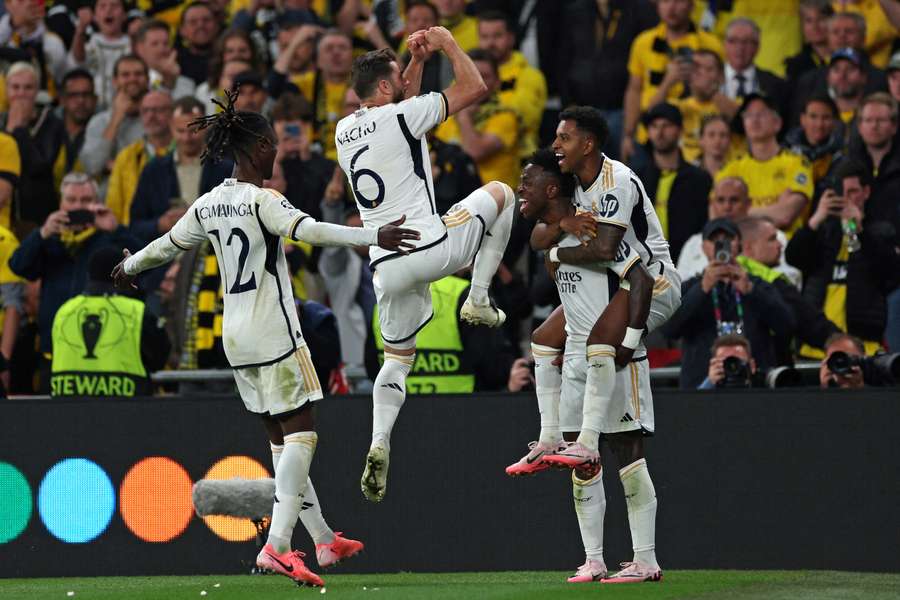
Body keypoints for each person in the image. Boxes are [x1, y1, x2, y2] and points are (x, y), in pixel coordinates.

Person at [112, 88, 418, 587]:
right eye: (272, 143)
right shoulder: (263, 200)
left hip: (236, 338)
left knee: (281, 442)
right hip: (274, 332)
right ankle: (277, 547)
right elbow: (312, 231)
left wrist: (127, 265)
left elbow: (164, 247)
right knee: (303, 431)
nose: (276, 150)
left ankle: (321, 537)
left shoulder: (210, 204)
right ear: (258, 149)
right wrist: (372, 237)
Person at [337, 29, 515, 503]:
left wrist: (413, 62)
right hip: (429, 247)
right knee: (502, 194)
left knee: (396, 360)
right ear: (384, 88)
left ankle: (379, 441)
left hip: (386, 268)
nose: (405, 82)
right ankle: (478, 297)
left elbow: (400, 103)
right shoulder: (403, 116)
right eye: (397, 78)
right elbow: (475, 88)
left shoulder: (343, 129)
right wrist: (448, 44)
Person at [512, 147, 662, 584]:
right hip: (578, 359)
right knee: (581, 464)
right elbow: (538, 238)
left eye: (528, 182)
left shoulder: (594, 229)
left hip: (614, 360)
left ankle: (646, 560)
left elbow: (641, 279)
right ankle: (593, 559)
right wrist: (558, 229)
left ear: (552, 188)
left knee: (628, 456)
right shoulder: (559, 230)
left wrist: (631, 343)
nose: (521, 189)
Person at [9, 172, 140, 391]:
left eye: (85, 201)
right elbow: (18, 266)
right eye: (71, 200)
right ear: (61, 203)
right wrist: (41, 234)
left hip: (103, 353)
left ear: (96, 203)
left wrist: (116, 229)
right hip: (54, 352)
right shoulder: (50, 239)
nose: (77, 206)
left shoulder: (108, 239)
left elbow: (146, 265)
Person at [662, 218, 796, 388]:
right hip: (702, 387)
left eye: (728, 238)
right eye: (714, 240)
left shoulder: (758, 285)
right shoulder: (689, 288)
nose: (721, 243)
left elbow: (787, 325)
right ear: (704, 247)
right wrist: (702, 289)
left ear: (739, 245)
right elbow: (669, 329)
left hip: (753, 386)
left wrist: (750, 291)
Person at [785, 159, 897, 358]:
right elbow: (793, 257)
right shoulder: (824, 232)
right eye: (841, 192)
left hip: (864, 344)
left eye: (853, 191)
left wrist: (859, 230)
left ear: (866, 192)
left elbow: (889, 273)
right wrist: (815, 219)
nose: (846, 198)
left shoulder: (880, 232)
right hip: (817, 344)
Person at [49, 246, 170, 397]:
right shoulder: (135, 311)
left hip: (69, 410)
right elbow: (160, 357)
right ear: (123, 273)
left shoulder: (65, 311)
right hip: (123, 410)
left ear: (89, 275)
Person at [621, 0, 722, 164]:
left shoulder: (711, 44)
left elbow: (719, 90)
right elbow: (634, 89)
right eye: (666, 1)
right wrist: (628, 134)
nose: (672, 7)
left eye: (679, 1)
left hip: (694, 137)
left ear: (691, 5)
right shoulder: (643, 42)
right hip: (648, 134)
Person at [717, 93, 814, 236]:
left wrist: (740, 213)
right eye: (748, 115)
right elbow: (718, 216)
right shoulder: (731, 169)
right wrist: (776, 208)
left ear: (777, 123)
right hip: (743, 250)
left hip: (784, 249)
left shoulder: (797, 163)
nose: (754, 120)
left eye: (761, 114)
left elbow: (786, 215)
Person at [678, 176, 801, 286]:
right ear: (712, 204)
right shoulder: (694, 243)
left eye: (734, 200)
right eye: (721, 200)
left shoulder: (773, 236)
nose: (727, 207)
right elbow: (678, 287)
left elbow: (790, 278)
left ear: (748, 204)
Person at [434, 49, 521, 187]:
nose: (477, 81)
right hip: (453, 196)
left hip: (493, 201)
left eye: (484, 76)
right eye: (471, 75)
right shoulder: (449, 114)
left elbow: (474, 152)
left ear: (497, 82)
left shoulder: (505, 116)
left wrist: (464, 117)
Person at [636, 102, 711, 262]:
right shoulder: (635, 177)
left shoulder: (699, 179)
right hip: (644, 263)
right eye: (654, 126)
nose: (660, 132)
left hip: (688, 262)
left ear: (680, 130)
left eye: (666, 125)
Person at [2, 61, 66, 233]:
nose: (21, 94)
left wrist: (18, 130)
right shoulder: (1, 122)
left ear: (37, 91)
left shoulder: (53, 124)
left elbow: (40, 167)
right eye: (15, 87)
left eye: (28, 88)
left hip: (39, 219)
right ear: (6, 90)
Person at [477, 10, 547, 161]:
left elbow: (521, 115)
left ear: (511, 38)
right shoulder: (471, 73)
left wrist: (472, 114)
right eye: (484, 37)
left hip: (517, 163)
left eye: (497, 36)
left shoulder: (530, 76)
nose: (490, 43)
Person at [651, 48, 737, 163]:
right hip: (687, 172)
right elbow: (651, 115)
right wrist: (668, 81)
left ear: (721, 76)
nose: (702, 73)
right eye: (696, 68)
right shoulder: (678, 106)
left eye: (709, 69)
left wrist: (711, 90)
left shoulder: (732, 103)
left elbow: (739, 119)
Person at [105, 90, 175, 227]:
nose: (151, 116)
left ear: (172, 114)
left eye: (158, 110)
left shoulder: (184, 153)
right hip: (135, 236)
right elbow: (114, 208)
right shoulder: (126, 156)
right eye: (145, 111)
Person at [79, 54, 149, 179]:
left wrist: (120, 166)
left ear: (147, 79)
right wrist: (116, 120)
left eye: (138, 74)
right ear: (115, 81)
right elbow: (92, 166)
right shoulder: (99, 122)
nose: (132, 79)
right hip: (109, 193)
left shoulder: (158, 119)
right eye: (125, 75)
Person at [67, 0, 131, 109]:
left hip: (126, 108)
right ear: (95, 16)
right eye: (102, 6)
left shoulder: (133, 45)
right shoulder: (89, 43)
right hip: (92, 110)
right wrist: (81, 29)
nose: (108, 10)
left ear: (124, 15)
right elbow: (78, 60)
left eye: (114, 6)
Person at [720, 17, 788, 116]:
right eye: (733, 41)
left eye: (746, 42)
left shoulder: (777, 85)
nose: (739, 47)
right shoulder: (708, 80)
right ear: (724, 44)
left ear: (757, 47)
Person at [785, 94, 844, 184]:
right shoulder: (783, 152)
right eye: (813, 117)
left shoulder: (843, 156)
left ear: (835, 121)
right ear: (802, 119)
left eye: (826, 117)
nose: (819, 124)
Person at [132, 19, 197, 101]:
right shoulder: (132, 81)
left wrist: (171, 82)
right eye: (155, 44)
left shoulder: (187, 84)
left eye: (166, 43)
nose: (162, 49)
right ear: (139, 48)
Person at [56, 68, 98, 187]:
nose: (81, 101)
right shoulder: (47, 129)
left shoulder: (104, 130)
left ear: (95, 100)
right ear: (62, 100)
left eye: (86, 95)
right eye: (74, 95)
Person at [784, 0, 834, 87]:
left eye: (821, 19)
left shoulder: (847, 57)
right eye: (808, 21)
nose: (815, 26)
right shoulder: (795, 65)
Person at [176, 1, 220, 86]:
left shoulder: (227, 57)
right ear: (182, 30)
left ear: (216, 26)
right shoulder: (175, 62)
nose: (200, 26)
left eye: (206, 20)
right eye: (193, 22)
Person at [694, 113, 732, 178]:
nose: (717, 141)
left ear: (729, 140)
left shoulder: (736, 172)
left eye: (723, 135)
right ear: (701, 140)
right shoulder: (689, 172)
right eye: (711, 135)